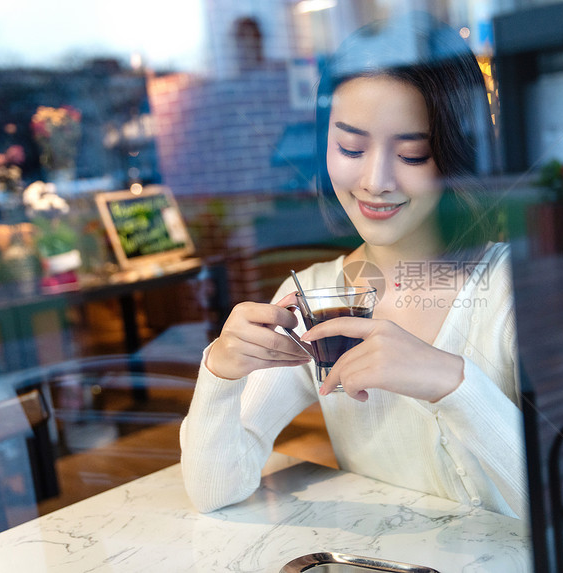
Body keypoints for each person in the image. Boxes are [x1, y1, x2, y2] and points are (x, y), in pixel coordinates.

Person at [180, 12, 526, 519]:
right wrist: (220, 374)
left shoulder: (513, 289)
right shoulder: (314, 297)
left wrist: (451, 382)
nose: (374, 180)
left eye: (412, 154)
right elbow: (215, 489)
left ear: (456, 154)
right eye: (350, 147)